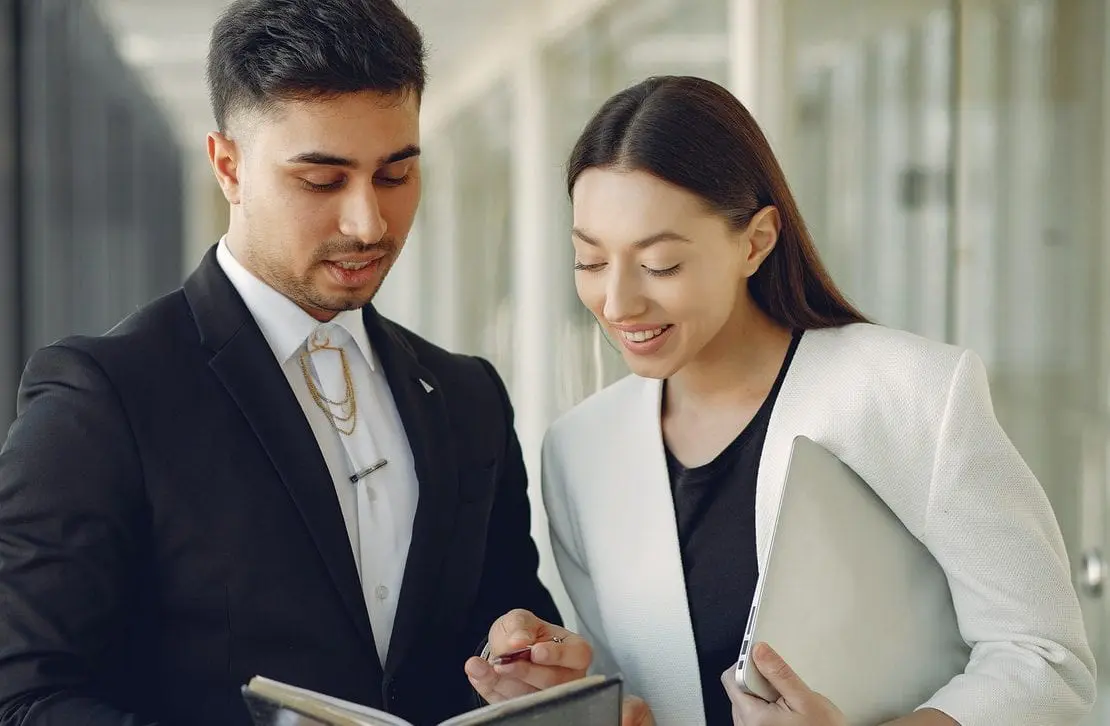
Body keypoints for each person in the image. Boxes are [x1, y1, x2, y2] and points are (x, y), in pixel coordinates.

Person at [467, 76, 1097, 726]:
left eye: (659, 265)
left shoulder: (910, 393)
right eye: (590, 262)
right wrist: (573, 691)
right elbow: (644, 690)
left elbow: (1045, 660)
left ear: (756, 241)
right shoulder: (580, 450)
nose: (618, 303)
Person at [0, 1, 562, 724]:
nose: (368, 223)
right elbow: (22, 697)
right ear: (228, 167)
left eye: (395, 175)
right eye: (322, 181)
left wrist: (532, 659)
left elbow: (503, 620)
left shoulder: (467, 395)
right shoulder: (103, 398)